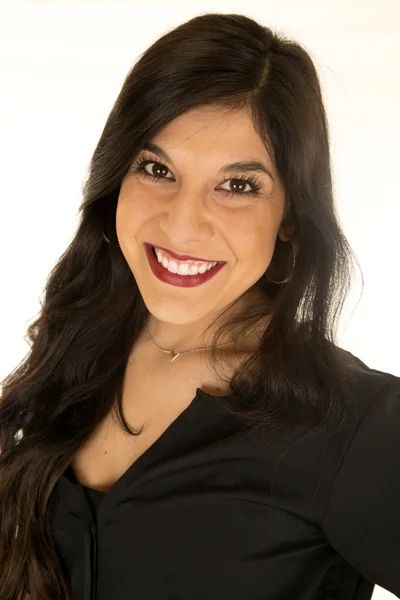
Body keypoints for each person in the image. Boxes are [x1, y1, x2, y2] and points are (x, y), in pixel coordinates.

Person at [0, 12, 399, 600]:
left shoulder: (355, 425)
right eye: (157, 169)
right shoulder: (76, 350)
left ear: (290, 217)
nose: (182, 224)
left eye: (238, 185)